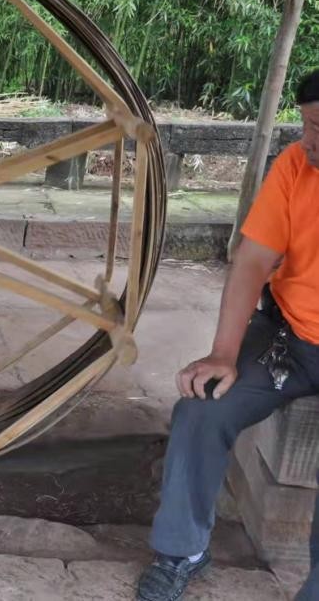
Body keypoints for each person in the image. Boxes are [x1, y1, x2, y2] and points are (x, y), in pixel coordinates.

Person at [137, 70, 319, 601]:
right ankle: (183, 551)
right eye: (309, 124)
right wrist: (223, 353)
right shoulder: (294, 166)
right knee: (202, 405)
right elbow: (254, 260)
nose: (311, 140)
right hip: (289, 338)